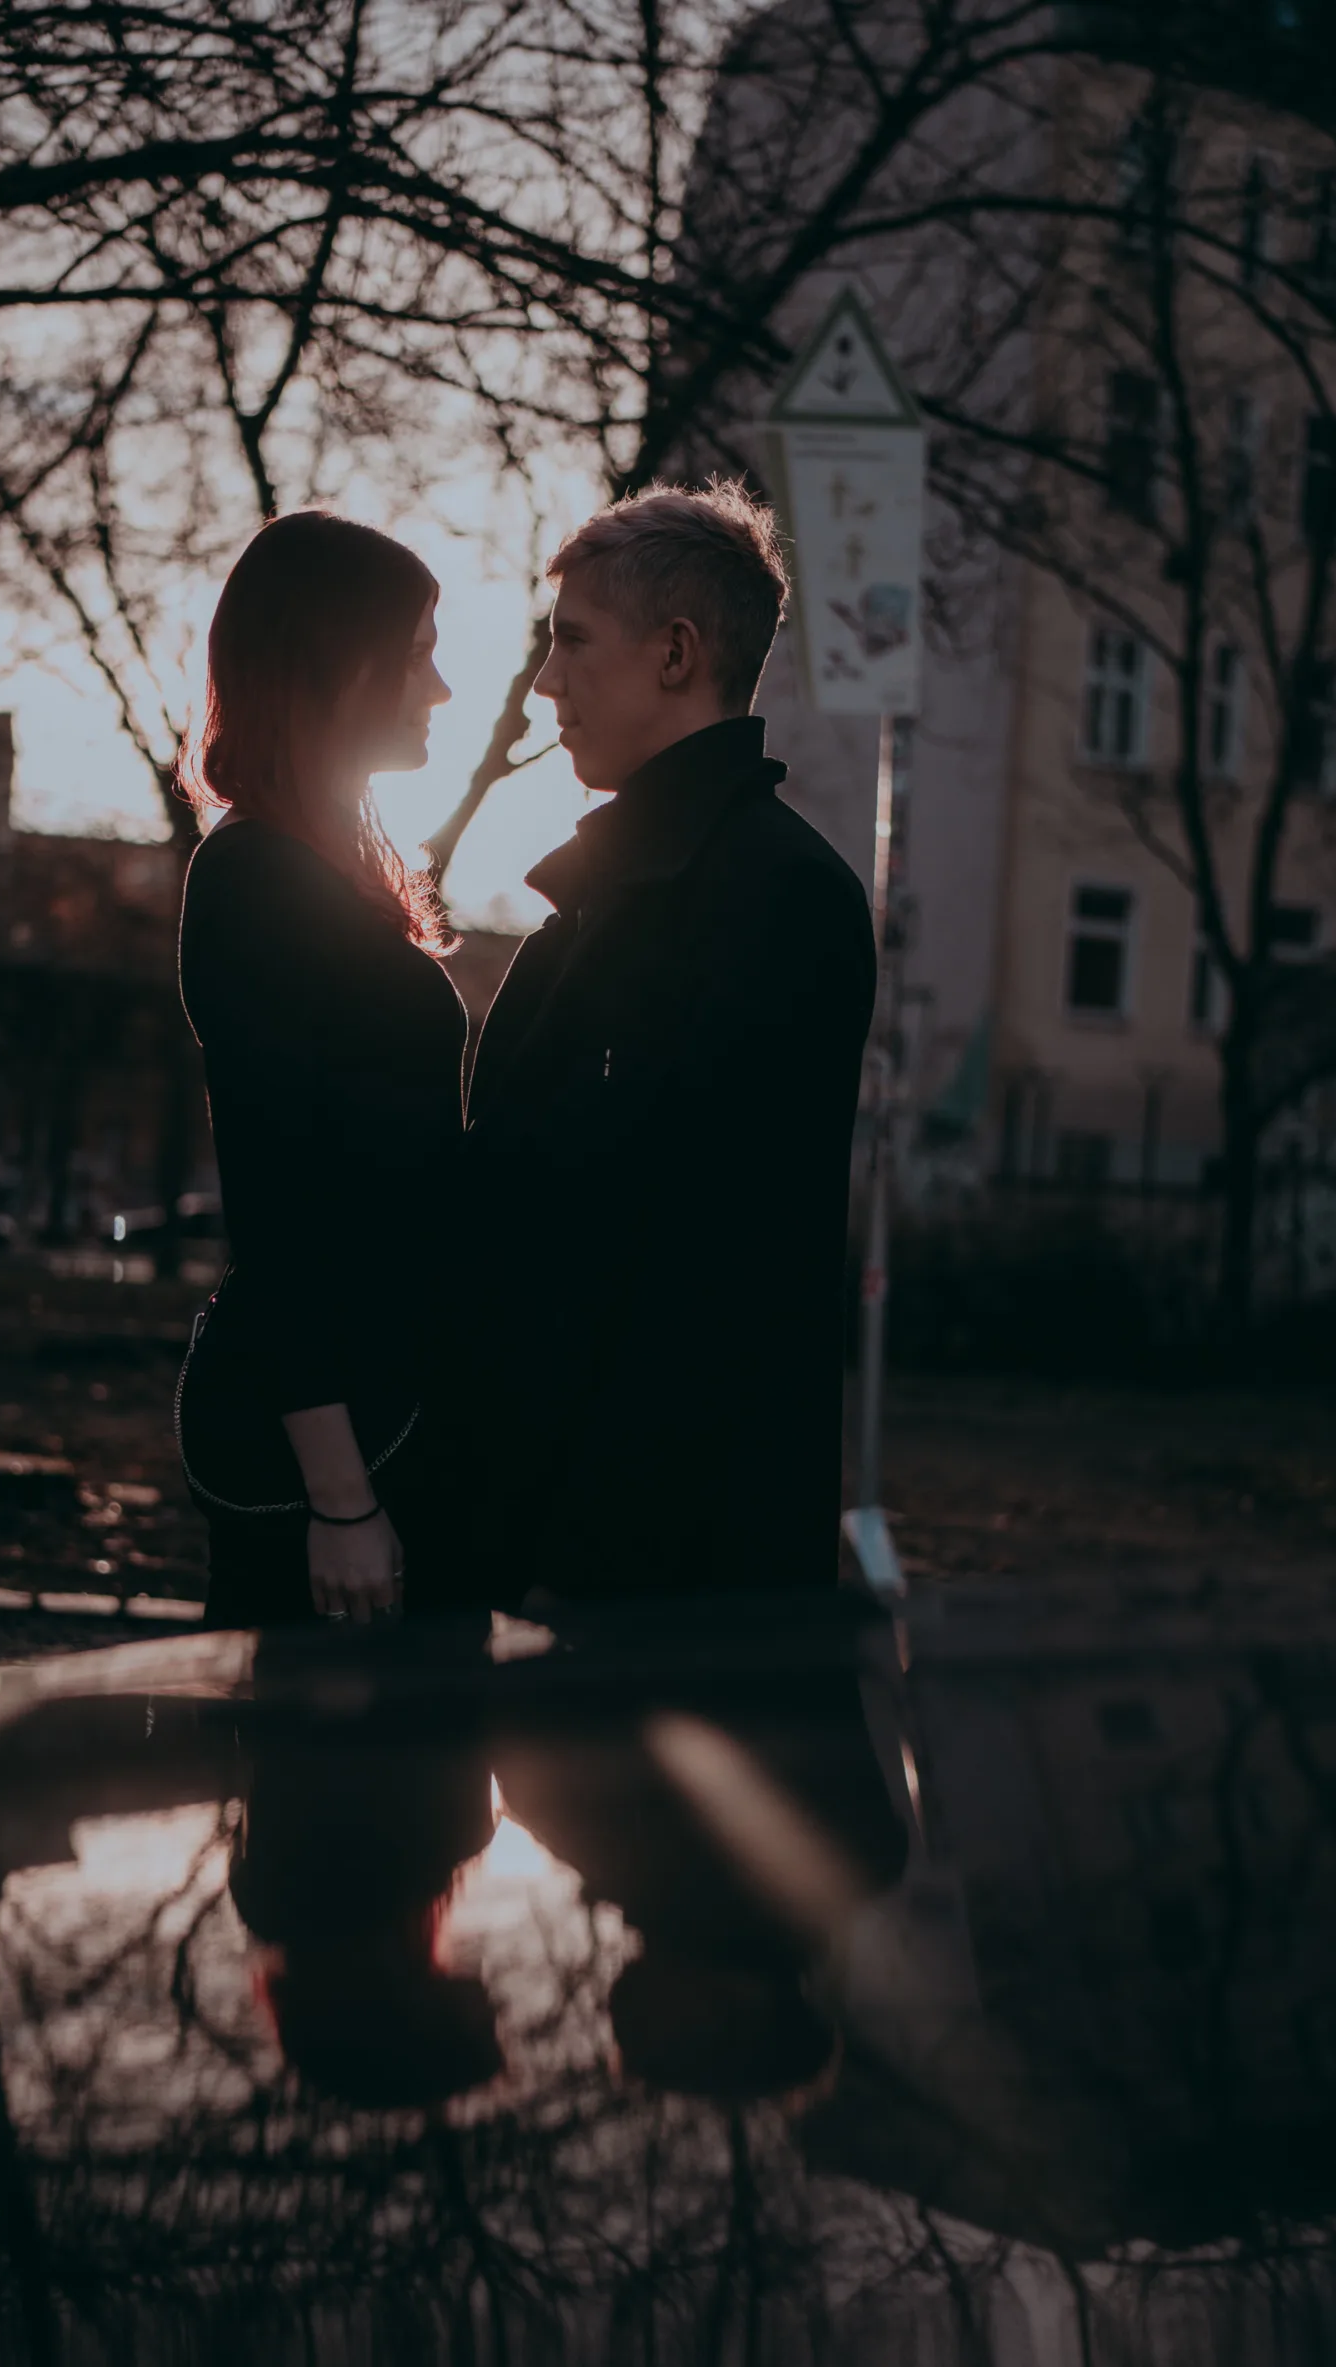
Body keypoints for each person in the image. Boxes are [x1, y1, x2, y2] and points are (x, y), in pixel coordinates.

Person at [459, 480, 876, 1605]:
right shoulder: (631, 884)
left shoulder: (768, 897)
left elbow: (688, 1260)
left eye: (571, 641)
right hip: (582, 1534)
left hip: (657, 1565)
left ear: (675, 653)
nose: (546, 681)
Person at [175, 510, 464, 1628]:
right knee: (332, 1794)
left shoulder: (323, 870)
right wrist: (340, 1500)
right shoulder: (254, 879)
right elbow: (278, 1206)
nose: (437, 688)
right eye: (418, 652)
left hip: (375, 1418)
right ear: (340, 661)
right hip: (328, 1448)